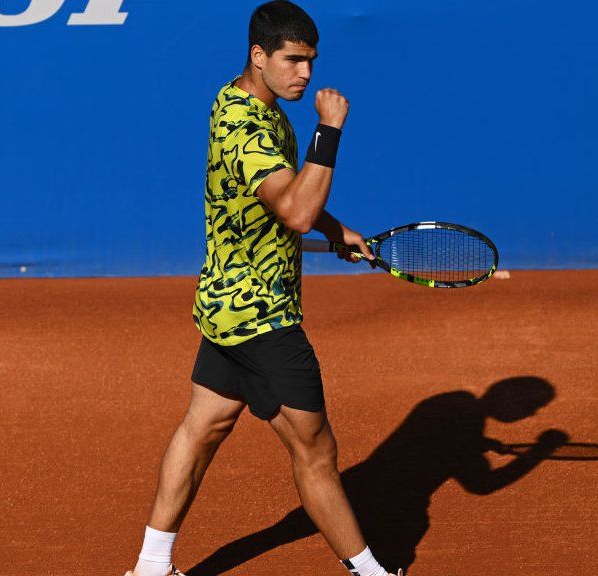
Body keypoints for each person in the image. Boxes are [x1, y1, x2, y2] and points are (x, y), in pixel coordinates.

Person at [126, 2, 399, 576]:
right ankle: (371, 573)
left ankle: (151, 567)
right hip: (261, 318)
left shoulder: (247, 103)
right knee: (317, 453)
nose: (305, 73)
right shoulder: (247, 127)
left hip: (224, 307)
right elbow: (297, 211)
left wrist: (338, 229)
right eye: (293, 60)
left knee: (203, 427)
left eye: (311, 61)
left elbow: (291, 201)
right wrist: (329, 130)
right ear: (259, 55)